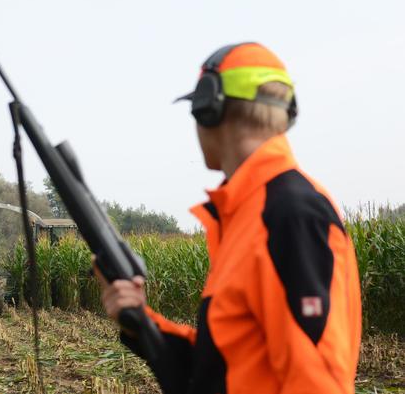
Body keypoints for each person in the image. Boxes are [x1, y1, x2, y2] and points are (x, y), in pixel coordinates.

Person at [94, 43, 362, 394]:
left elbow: (316, 382)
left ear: (210, 109)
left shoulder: (288, 214)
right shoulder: (247, 212)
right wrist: (141, 322)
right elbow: (221, 368)